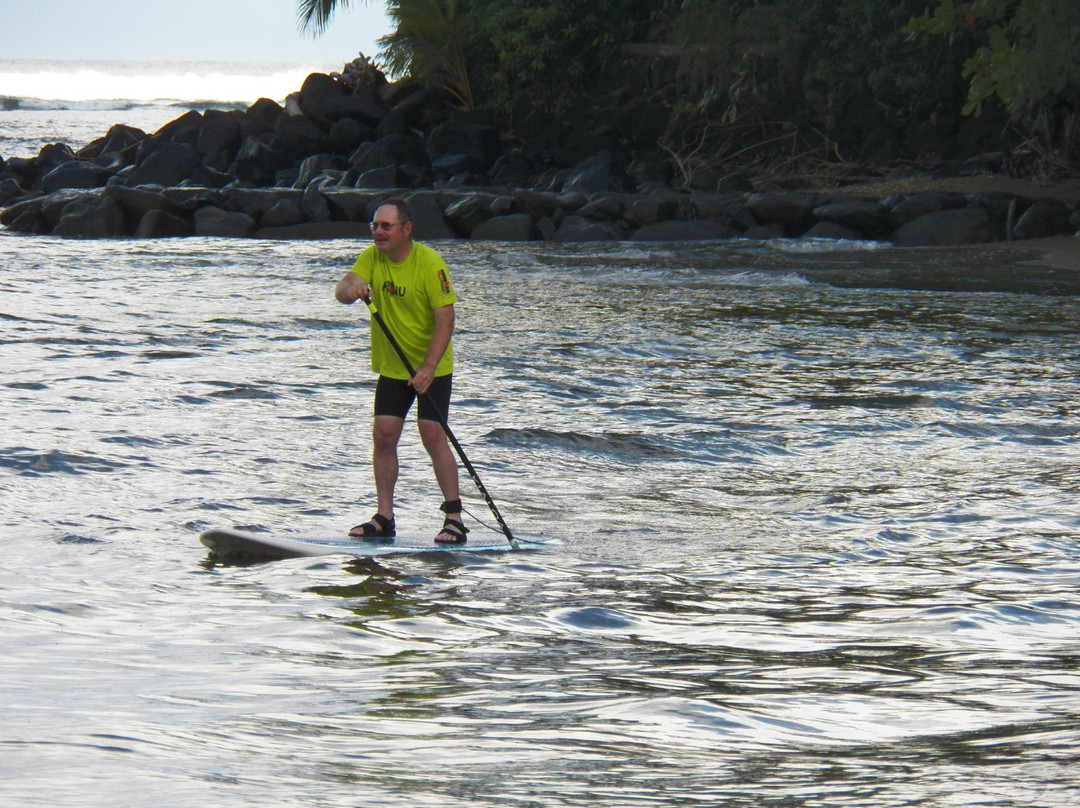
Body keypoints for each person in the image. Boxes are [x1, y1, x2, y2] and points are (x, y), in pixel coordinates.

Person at [334, 197, 469, 544]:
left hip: (432, 364)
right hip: (394, 366)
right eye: (374, 226)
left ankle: (453, 518)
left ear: (406, 229)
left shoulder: (429, 263)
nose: (378, 232)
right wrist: (352, 289)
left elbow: (446, 319)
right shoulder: (372, 257)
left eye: (386, 226)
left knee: (432, 435)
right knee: (384, 434)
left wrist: (428, 367)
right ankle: (384, 517)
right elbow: (342, 290)